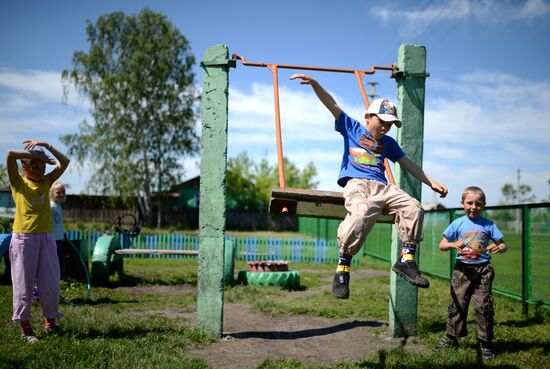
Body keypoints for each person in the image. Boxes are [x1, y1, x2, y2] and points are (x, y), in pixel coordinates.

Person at [290, 74, 448, 299]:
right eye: (381, 121)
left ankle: (406, 260)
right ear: (368, 117)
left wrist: (431, 182)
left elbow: (407, 164)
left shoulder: (388, 144)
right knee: (361, 211)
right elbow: (332, 104)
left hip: (382, 187)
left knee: (414, 207)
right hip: (358, 184)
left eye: (390, 124)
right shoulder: (352, 128)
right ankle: (343, 268)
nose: (385, 127)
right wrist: (316, 85)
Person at [7, 140, 70, 342]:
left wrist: (46, 146)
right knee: (23, 284)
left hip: (47, 237)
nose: (40, 169)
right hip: (24, 239)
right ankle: (26, 328)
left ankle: (50, 323)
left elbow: (65, 162)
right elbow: (9, 155)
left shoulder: (46, 182)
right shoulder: (18, 182)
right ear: (24, 166)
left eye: (42, 166)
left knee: (50, 280)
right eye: (34, 165)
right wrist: (36, 155)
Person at [433, 186, 507, 360]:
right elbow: (442, 245)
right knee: (458, 304)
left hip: (483, 270)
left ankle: (485, 342)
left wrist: (499, 247)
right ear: (462, 204)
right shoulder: (457, 223)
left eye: (478, 204)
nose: (474, 207)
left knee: (483, 306)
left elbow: (503, 245)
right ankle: (451, 337)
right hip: (462, 271)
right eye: (470, 203)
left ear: (484, 205)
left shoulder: (488, 224)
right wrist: (453, 244)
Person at [50, 182, 67, 273]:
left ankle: (55, 281)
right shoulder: (50, 207)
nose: (61, 194)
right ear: (52, 193)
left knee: (57, 260)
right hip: (52, 239)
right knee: (52, 261)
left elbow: (58, 222)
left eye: (62, 192)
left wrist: (62, 231)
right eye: (58, 192)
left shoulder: (59, 207)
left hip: (59, 238)